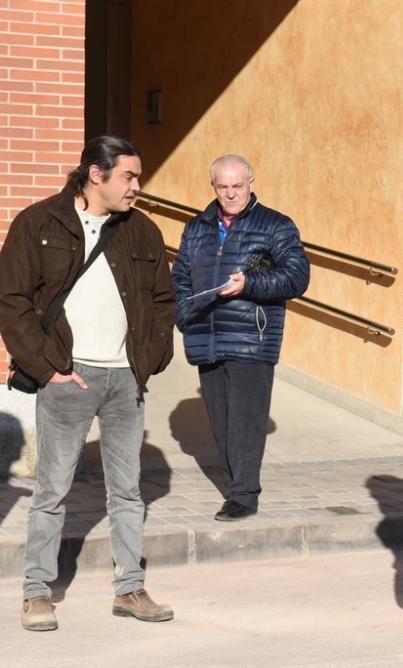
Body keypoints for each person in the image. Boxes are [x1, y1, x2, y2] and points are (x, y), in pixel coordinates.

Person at [0, 135, 177, 631]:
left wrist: (151, 358)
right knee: (52, 491)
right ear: (95, 175)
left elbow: (164, 300)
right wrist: (46, 366)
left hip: (126, 380)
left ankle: (130, 589)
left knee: (127, 492)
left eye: (138, 176)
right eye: (129, 176)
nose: (137, 187)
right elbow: (11, 301)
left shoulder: (142, 231)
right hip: (67, 376)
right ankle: (37, 593)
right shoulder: (38, 223)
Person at [171, 154, 309, 522]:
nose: (231, 194)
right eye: (223, 186)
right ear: (213, 187)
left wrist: (250, 284)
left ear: (250, 183)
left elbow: (297, 278)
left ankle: (244, 495)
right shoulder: (197, 227)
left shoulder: (275, 225)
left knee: (246, 421)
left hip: (252, 337)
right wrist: (184, 315)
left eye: (237, 186)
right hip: (206, 335)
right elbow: (181, 276)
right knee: (221, 421)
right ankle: (234, 488)